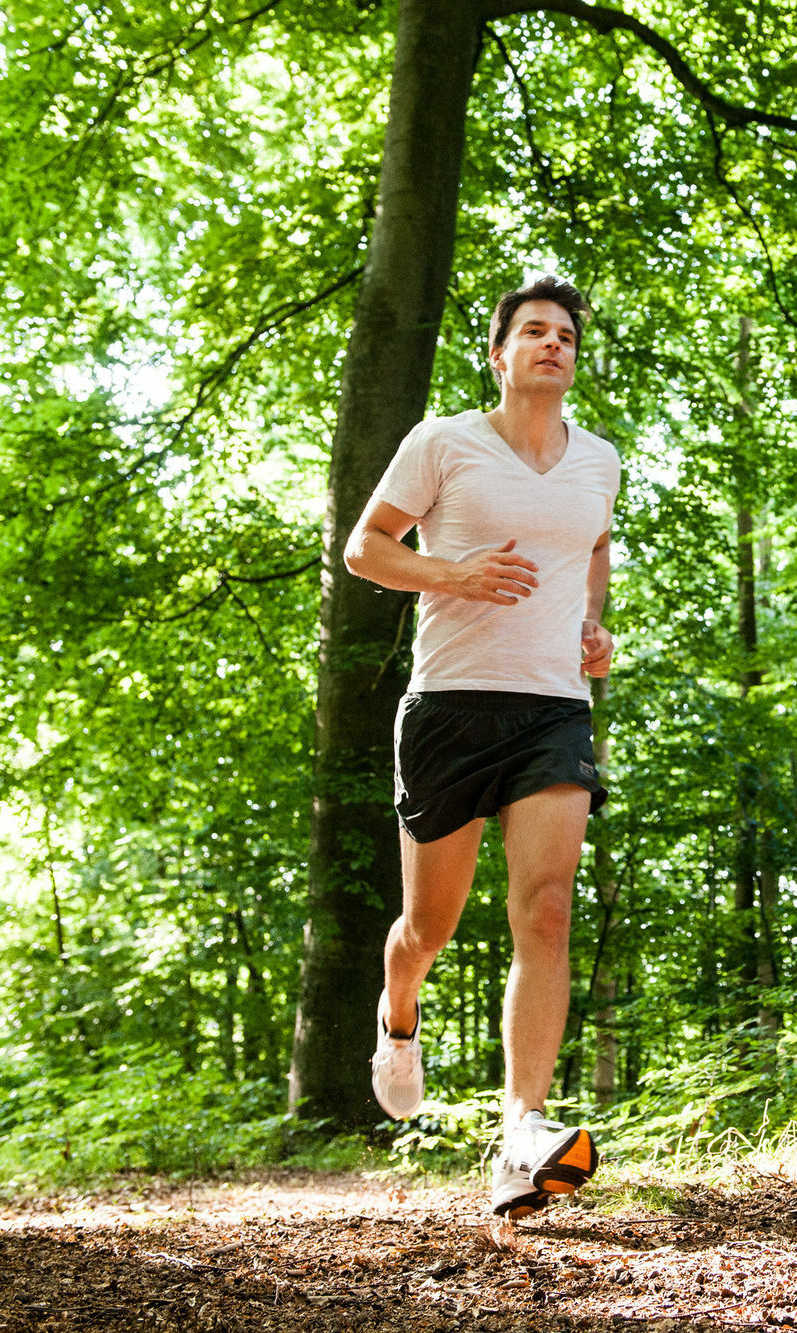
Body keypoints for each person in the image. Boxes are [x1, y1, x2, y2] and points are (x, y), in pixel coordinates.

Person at [342, 275, 618, 1219]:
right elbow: (365, 548)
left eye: (566, 336)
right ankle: (399, 1013)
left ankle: (521, 1132)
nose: (553, 344)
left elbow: (593, 547)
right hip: (449, 707)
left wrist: (590, 625)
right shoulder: (442, 443)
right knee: (431, 927)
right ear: (499, 355)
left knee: (545, 909)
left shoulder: (600, 460)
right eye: (534, 332)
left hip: (552, 708)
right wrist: (452, 570)